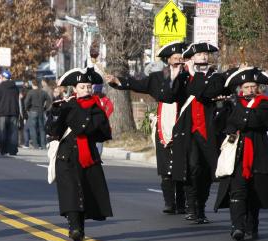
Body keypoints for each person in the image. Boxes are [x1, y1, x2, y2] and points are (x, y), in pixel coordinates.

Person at [106, 41, 187, 215]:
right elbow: (137, 83)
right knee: (166, 167)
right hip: (163, 124)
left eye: (181, 59)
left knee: (182, 166)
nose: (178, 62)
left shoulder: (189, 77)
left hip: (183, 123)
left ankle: (182, 203)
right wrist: (117, 81)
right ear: (168, 61)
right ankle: (169, 202)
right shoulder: (158, 78)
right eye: (175, 59)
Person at [214, 67, 268, 241]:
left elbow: (254, 122)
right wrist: (221, 106)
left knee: (253, 192)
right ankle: (237, 227)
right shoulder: (232, 102)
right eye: (246, 87)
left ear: (258, 88)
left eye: (252, 87)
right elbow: (223, 126)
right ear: (240, 88)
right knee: (237, 190)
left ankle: (252, 227)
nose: (249, 90)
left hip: (259, 152)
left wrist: (238, 110)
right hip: (237, 152)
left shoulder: (264, 103)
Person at [162, 42, 228, 224]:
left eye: (206, 54)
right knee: (192, 168)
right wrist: (179, 73)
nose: (204, 57)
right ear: (191, 58)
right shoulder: (184, 78)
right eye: (199, 54)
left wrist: (195, 75)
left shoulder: (216, 77)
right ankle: (191, 207)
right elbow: (170, 94)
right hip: (188, 133)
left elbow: (207, 93)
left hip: (209, 132)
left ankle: (201, 208)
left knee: (207, 171)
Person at [46, 67, 113, 241]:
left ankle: (80, 228)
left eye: (89, 87)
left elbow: (102, 132)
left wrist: (82, 115)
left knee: (84, 192)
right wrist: (54, 114)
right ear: (75, 89)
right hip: (66, 156)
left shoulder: (97, 108)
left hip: (87, 156)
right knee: (71, 193)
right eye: (82, 87)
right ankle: (74, 227)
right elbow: (53, 132)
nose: (86, 90)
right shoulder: (67, 105)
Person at [0, 70, 19, 155]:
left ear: (3, 77)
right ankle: (13, 149)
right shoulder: (15, 87)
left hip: (2, 112)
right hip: (13, 112)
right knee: (13, 132)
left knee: (2, 131)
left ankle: (3, 149)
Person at [25, 79, 50, 149]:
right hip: (41, 111)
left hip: (33, 111)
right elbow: (49, 100)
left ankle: (35, 145)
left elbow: (26, 102)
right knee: (42, 128)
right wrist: (45, 108)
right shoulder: (43, 92)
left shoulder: (31, 92)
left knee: (33, 128)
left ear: (32, 84)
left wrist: (27, 109)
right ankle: (43, 145)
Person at [92, 84, 114, 156]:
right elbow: (110, 108)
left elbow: (111, 108)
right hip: (99, 122)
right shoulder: (105, 99)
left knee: (95, 140)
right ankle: (97, 156)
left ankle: (95, 157)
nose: (97, 94)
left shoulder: (92, 98)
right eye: (97, 92)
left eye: (97, 92)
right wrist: (105, 117)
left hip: (94, 122)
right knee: (98, 141)